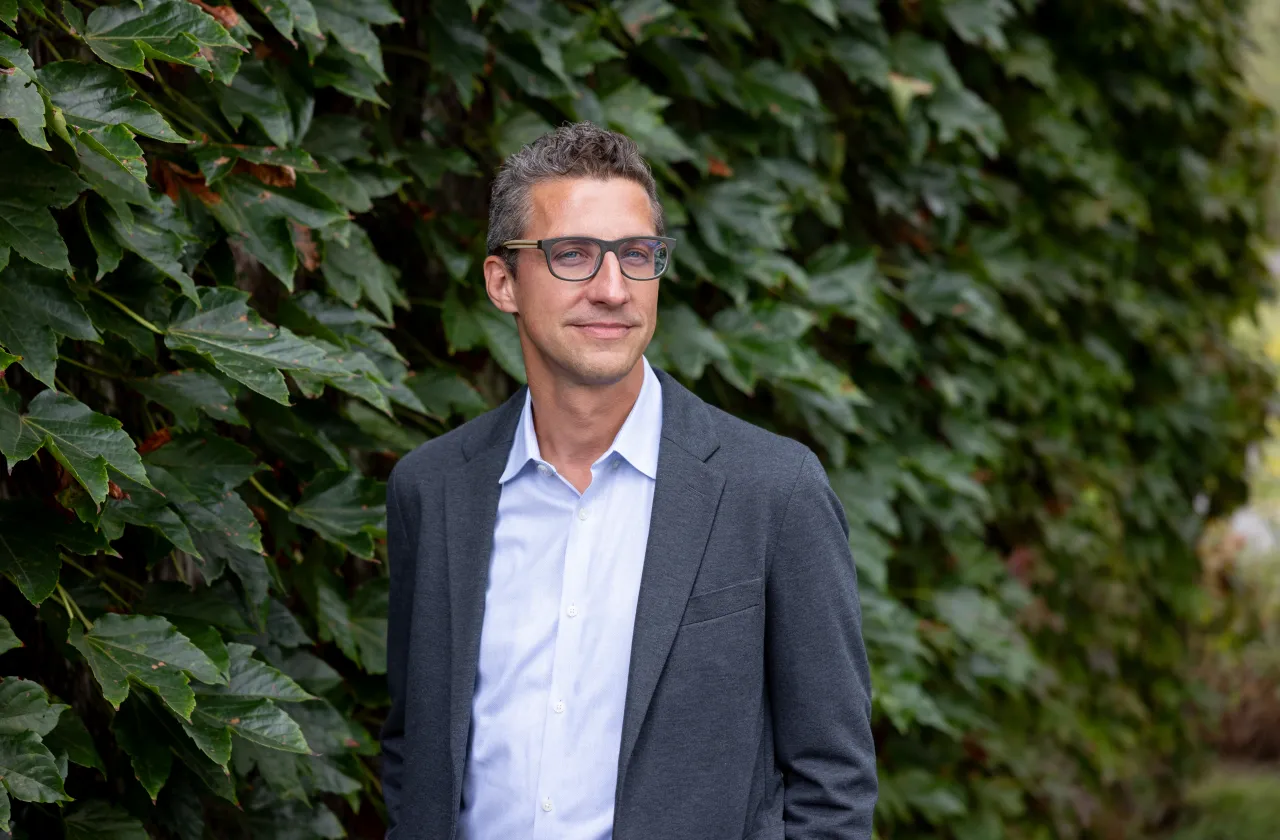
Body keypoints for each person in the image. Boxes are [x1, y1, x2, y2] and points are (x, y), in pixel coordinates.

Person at [379, 121, 877, 840]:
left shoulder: (773, 491)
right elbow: (414, 753)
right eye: (573, 255)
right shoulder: (431, 490)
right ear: (502, 281)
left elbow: (834, 782)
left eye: (637, 256)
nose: (612, 289)